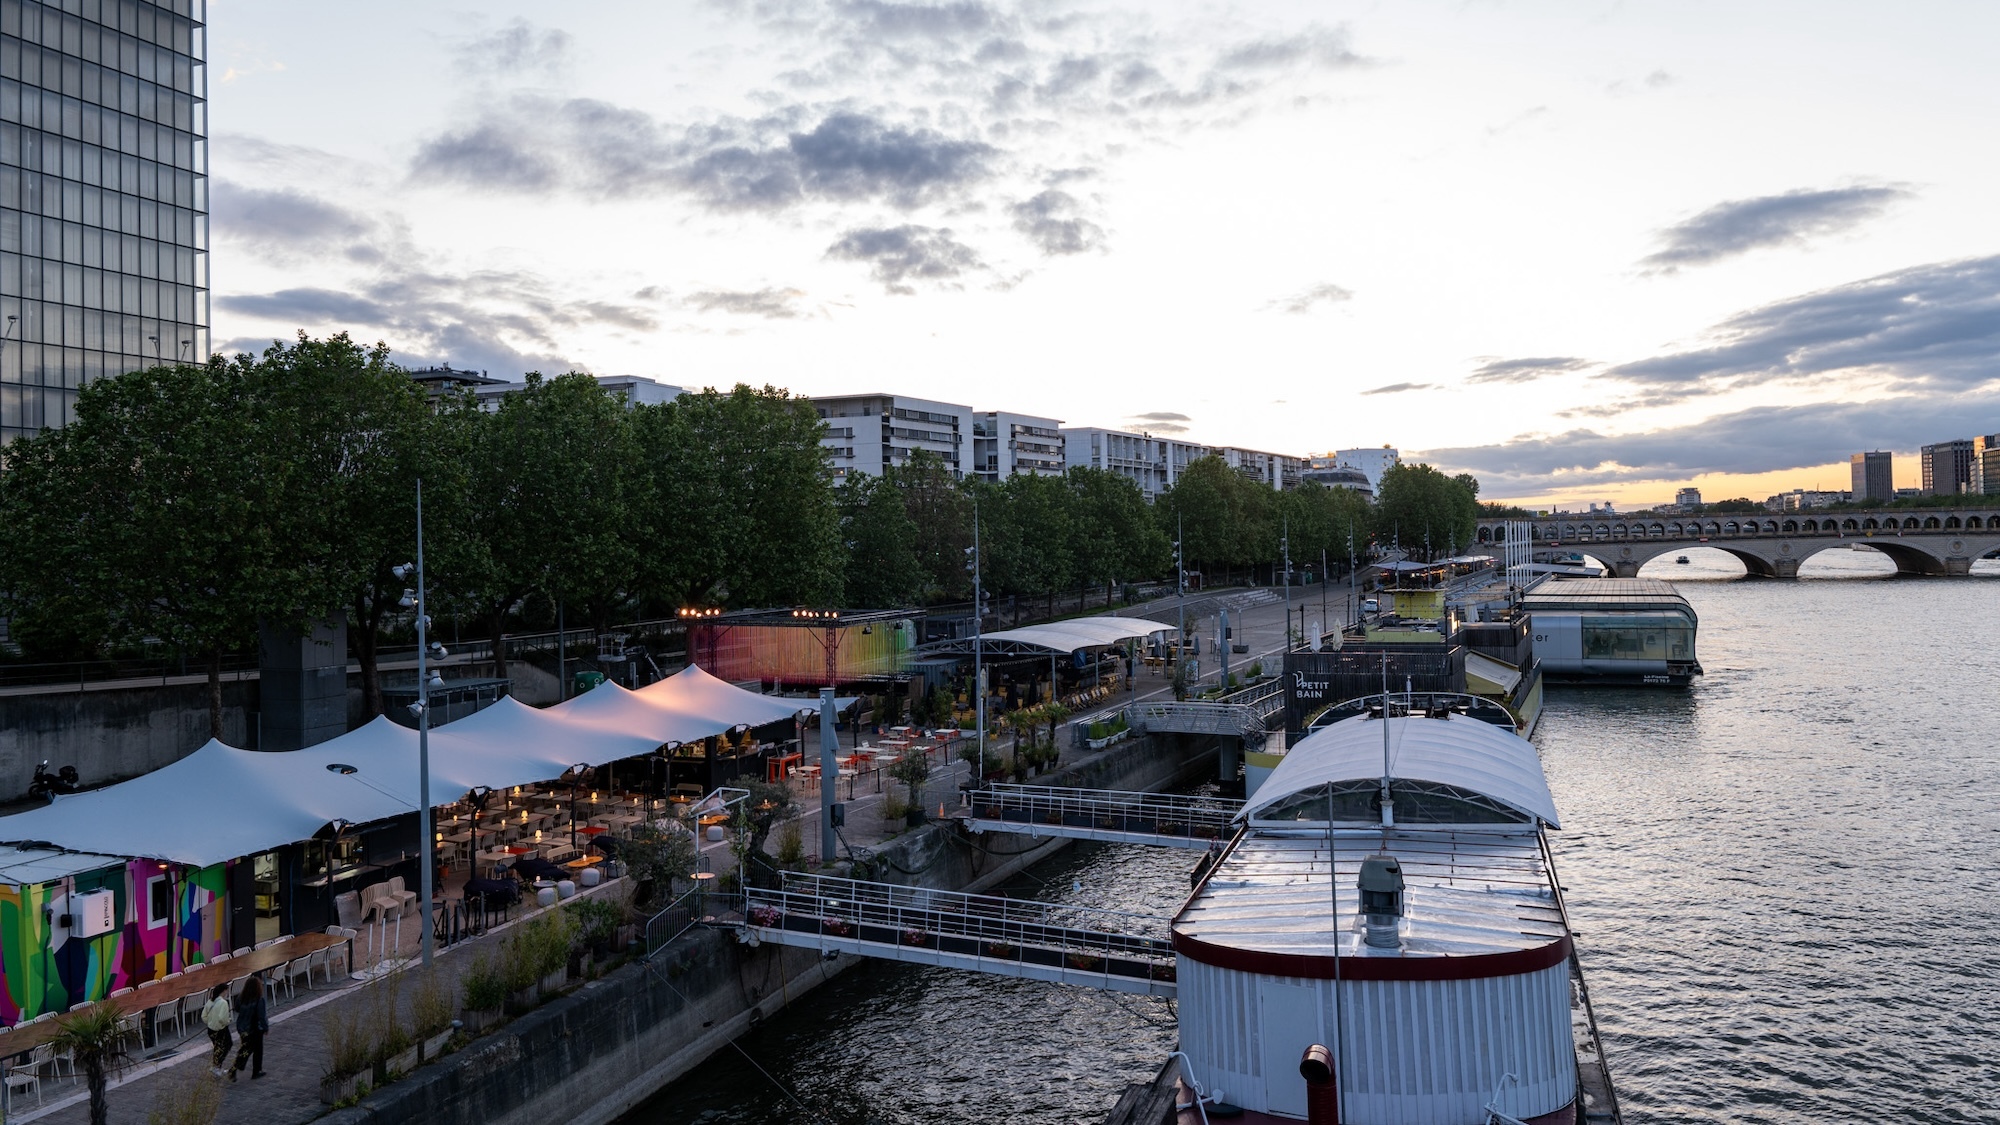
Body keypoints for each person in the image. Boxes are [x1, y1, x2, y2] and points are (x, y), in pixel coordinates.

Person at [230, 974, 269, 1081]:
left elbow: (237, 1009)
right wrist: (265, 1028)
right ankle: (256, 1071)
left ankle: (235, 1069)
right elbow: (261, 1016)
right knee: (257, 1050)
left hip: (242, 1027)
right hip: (254, 1028)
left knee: (245, 1048)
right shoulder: (259, 999)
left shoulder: (241, 997)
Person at [199, 983, 232, 1077]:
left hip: (211, 1030)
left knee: (217, 1047)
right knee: (226, 1046)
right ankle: (217, 1067)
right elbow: (222, 1018)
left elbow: (203, 1016)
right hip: (221, 1029)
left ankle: (216, 1067)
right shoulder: (223, 1003)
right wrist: (228, 1021)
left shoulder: (210, 1001)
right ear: (224, 991)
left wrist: (210, 1022)